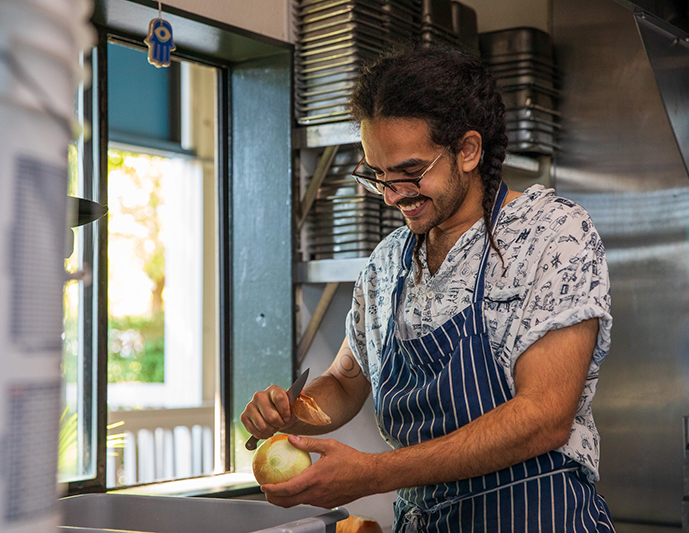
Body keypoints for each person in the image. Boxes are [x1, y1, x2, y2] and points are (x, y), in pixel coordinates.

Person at [241, 45, 614, 532]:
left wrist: (372, 474)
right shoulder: (387, 263)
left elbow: (544, 416)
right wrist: (291, 414)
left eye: (410, 173)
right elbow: (345, 383)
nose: (393, 195)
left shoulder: (551, 234)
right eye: (378, 176)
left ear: (467, 151)